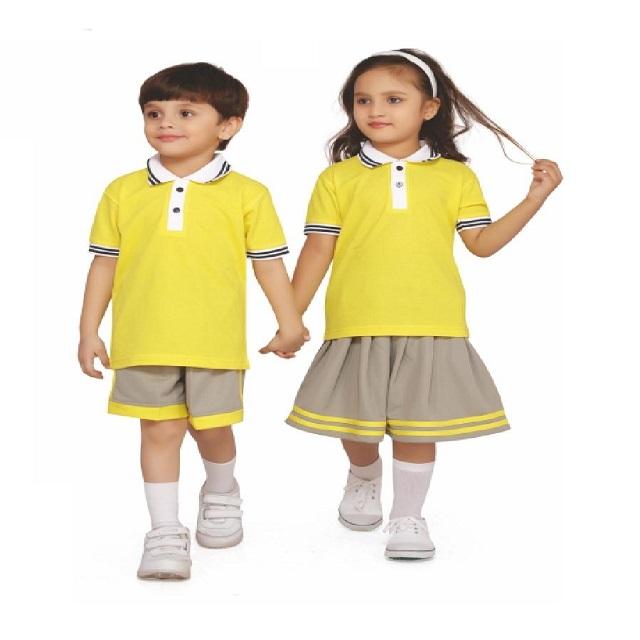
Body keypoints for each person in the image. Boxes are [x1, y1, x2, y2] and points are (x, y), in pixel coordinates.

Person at [276, 48, 562, 560]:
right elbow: (318, 250)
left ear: (428, 108)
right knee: (356, 423)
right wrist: (289, 319)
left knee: (416, 426)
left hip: (432, 322)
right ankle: (364, 474)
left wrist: (534, 197)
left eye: (393, 99)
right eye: (363, 100)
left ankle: (408, 516)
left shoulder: (455, 177)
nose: (375, 110)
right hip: (357, 320)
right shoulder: (337, 179)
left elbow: (483, 244)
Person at [78, 62, 307, 579]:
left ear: (228, 125)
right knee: (159, 431)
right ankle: (164, 531)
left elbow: (268, 264)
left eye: (185, 113)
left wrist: (289, 321)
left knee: (212, 429)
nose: (166, 122)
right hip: (143, 340)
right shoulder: (122, 191)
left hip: (214, 342)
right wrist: (89, 329)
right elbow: (104, 263)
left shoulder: (248, 193)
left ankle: (222, 490)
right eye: (154, 112)